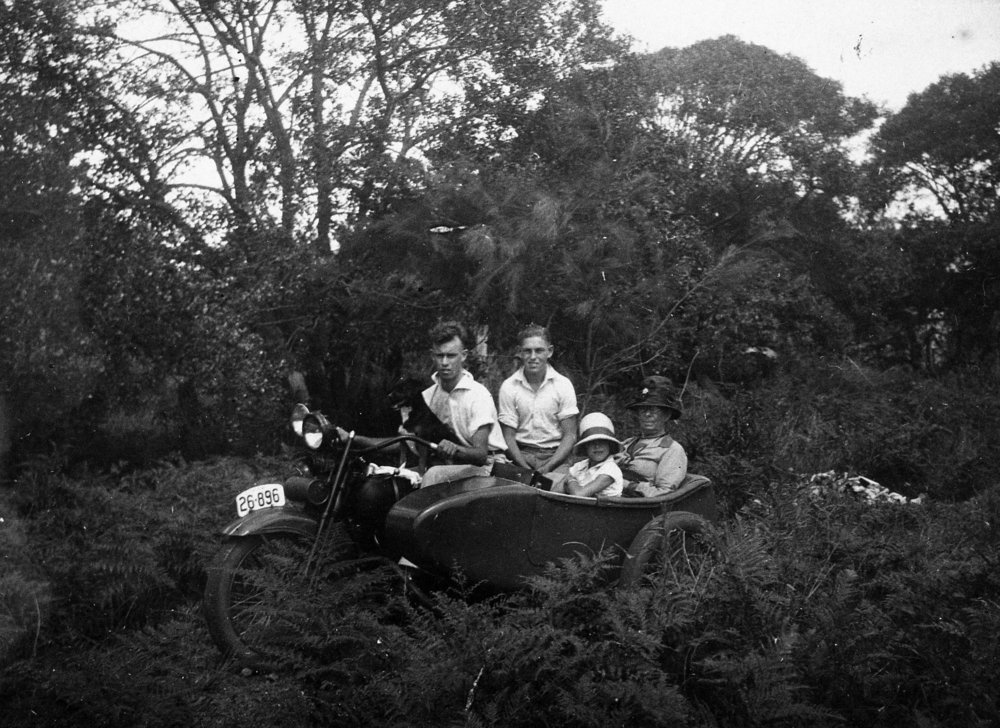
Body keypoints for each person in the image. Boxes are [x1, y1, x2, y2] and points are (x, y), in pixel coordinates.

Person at [498, 324, 579, 477]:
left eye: (539, 350)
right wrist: (523, 466)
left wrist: (548, 468)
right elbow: (508, 436)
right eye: (527, 351)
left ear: (550, 351)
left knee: (557, 490)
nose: (533, 357)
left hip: (555, 457)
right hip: (520, 455)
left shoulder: (563, 385)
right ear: (520, 353)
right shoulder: (509, 387)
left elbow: (570, 435)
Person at [617, 376, 688, 496]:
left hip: (638, 508)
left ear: (666, 415)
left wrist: (625, 485)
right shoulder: (627, 443)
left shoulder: (672, 450)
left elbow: (664, 493)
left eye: (653, 410)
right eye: (642, 409)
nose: (647, 414)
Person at [553, 413, 624, 497]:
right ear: (586, 446)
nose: (597, 447)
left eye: (602, 442)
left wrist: (570, 480)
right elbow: (555, 492)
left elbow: (579, 494)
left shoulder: (610, 469)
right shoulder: (581, 466)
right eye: (592, 443)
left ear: (609, 445)